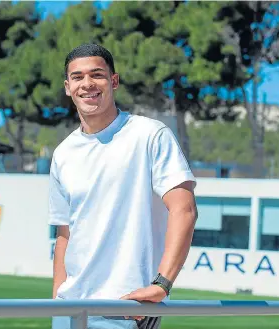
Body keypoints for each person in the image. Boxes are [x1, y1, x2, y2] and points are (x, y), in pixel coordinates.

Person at [48, 43, 198, 329]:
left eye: (97, 75)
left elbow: (184, 210)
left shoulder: (149, 135)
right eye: (77, 77)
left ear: (113, 81)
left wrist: (162, 284)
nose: (87, 84)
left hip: (127, 309)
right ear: (68, 87)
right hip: (70, 309)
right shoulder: (63, 153)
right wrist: (58, 305)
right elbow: (64, 235)